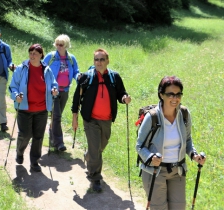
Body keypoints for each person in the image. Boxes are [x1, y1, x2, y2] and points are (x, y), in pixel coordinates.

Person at [136, 76, 206, 209]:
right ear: (161, 95)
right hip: (155, 171)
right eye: (170, 94)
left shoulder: (184, 114)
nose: (175, 98)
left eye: (178, 94)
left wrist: (194, 155)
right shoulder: (152, 117)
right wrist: (151, 157)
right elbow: (139, 145)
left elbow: (188, 140)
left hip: (177, 171)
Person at [71, 48, 131, 192]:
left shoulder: (114, 77)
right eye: (96, 59)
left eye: (102, 59)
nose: (99, 62)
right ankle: (95, 177)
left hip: (107, 120)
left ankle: (89, 157)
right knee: (96, 149)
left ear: (107, 61)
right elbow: (76, 100)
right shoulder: (86, 77)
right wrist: (75, 119)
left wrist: (125, 98)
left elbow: (121, 93)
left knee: (99, 147)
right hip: (90, 120)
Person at [9, 44, 58, 172]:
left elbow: (54, 83)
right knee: (25, 135)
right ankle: (20, 152)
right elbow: (13, 86)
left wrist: (54, 89)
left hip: (42, 109)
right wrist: (16, 96)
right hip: (24, 108)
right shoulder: (21, 68)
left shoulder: (46, 70)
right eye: (31, 53)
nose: (32, 55)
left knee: (38, 136)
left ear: (41, 55)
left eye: (35, 53)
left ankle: (34, 162)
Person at [43, 34, 80, 151]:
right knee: (57, 116)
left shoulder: (71, 58)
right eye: (57, 44)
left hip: (65, 91)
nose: (58, 46)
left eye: (61, 44)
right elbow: (41, 69)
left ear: (66, 45)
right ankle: (59, 143)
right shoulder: (51, 56)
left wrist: (78, 77)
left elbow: (76, 71)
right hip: (52, 91)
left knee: (56, 117)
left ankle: (52, 135)